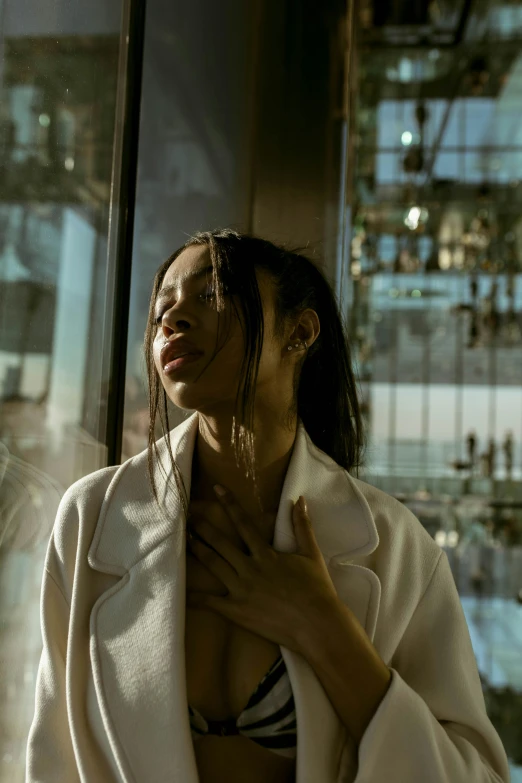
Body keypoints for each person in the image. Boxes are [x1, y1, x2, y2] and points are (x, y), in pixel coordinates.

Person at [26, 229, 510, 783]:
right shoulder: (91, 517)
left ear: (299, 332)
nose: (173, 319)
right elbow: (52, 760)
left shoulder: (396, 549)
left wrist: (326, 631)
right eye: (164, 306)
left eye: (209, 295)